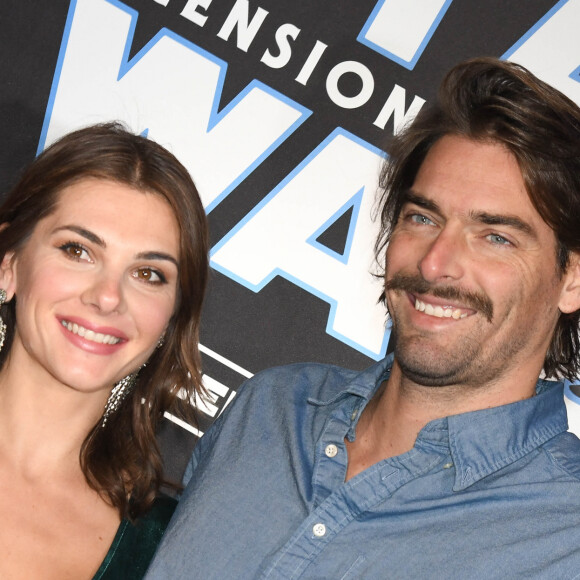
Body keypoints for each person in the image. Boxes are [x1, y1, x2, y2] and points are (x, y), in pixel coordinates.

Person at [145, 57, 580, 579]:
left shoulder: (564, 539)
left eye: (495, 237)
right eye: (422, 217)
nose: (435, 263)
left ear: (571, 279)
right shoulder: (271, 410)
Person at [0, 122, 209, 579]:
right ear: (9, 265)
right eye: (77, 250)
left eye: (148, 274)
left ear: (171, 319)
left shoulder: (164, 549)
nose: (108, 296)